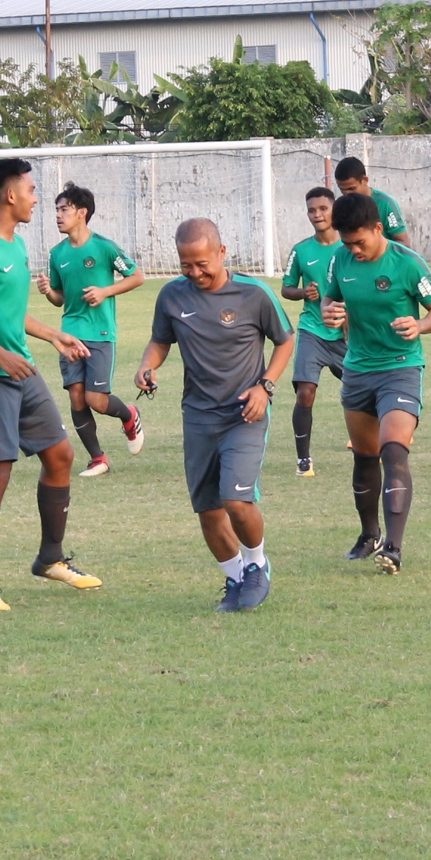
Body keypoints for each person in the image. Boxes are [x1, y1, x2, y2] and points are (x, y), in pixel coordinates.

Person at [0, 158, 102, 611]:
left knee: (61, 455)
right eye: (30, 189)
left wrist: (53, 334)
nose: (36, 197)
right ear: (9, 195)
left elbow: (7, 314)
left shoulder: (17, 246)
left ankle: (50, 558)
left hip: (21, 370)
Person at [136, 219, 294, 612]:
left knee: (235, 501)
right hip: (198, 415)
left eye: (202, 263)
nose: (195, 273)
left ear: (223, 253)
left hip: (244, 413)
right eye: (186, 265)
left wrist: (266, 386)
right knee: (208, 510)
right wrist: (147, 366)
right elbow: (160, 340)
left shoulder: (254, 294)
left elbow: (286, 340)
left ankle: (257, 564)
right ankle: (235, 577)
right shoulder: (172, 296)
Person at [320, 190, 431, 574]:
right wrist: (330, 313)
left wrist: (420, 324)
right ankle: (368, 534)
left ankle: (393, 548)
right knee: (364, 459)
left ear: (379, 229)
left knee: (394, 450)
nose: (354, 251)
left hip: (400, 367)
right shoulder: (340, 260)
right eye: (347, 243)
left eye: (359, 242)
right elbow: (330, 301)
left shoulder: (409, 264)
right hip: (358, 369)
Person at [40, 182, 146, 477]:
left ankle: (129, 414)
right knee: (76, 396)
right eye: (57, 210)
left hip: (100, 332)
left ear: (82, 212)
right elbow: (60, 298)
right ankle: (98, 458)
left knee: (96, 400)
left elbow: (137, 277)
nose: (58, 215)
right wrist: (49, 291)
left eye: (64, 209)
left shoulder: (104, 247)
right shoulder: (56, 253)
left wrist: (105, 291)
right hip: (70, 331)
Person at [281, 187, 349, 478]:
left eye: (323, 208)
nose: (317, 214)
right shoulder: (301, 250)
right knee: (305, 393)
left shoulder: (349, 248)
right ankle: (303, 460)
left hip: (346, 334)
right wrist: (302, 293)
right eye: (312, 210)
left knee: (366, 390)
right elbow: (286, 288)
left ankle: (377, 443)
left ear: (335, 210)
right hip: (312, 330)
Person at [333, 156, 410, 248]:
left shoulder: (385, 204)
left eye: (351, 188)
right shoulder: (342, 206)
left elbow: (403, 243)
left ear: (364, 180)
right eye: (342, 189)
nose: (346, 194)